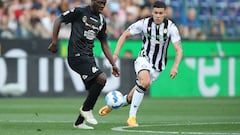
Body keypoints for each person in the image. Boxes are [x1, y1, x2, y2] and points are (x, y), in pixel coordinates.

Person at [98, 1, 183, 127]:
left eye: (160, 13)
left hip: (158, 67)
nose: (158, 16)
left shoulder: (171, 28)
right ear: (152, 12)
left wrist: (175, 66)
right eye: (155, 13)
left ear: (165, 13)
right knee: (145, 82)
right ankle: (131, 118)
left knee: (133, 96)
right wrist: (115, 54)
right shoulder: (144, 23)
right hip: (143, 59)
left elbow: (179, 50)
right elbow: (125, 34)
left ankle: (114, 104)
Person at [48, 0, 120, 130]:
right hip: (76, 56)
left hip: (89, 57)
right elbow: (58, 20)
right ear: (92, 1)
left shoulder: (102, 21)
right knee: (102, 78)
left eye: (104, 3)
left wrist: (113, 64)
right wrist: (54, 42)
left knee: (94, 87)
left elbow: (104, 43)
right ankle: (87, 110)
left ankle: (79, 122)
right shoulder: (80, 12)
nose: (102, 5)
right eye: (99, 2)